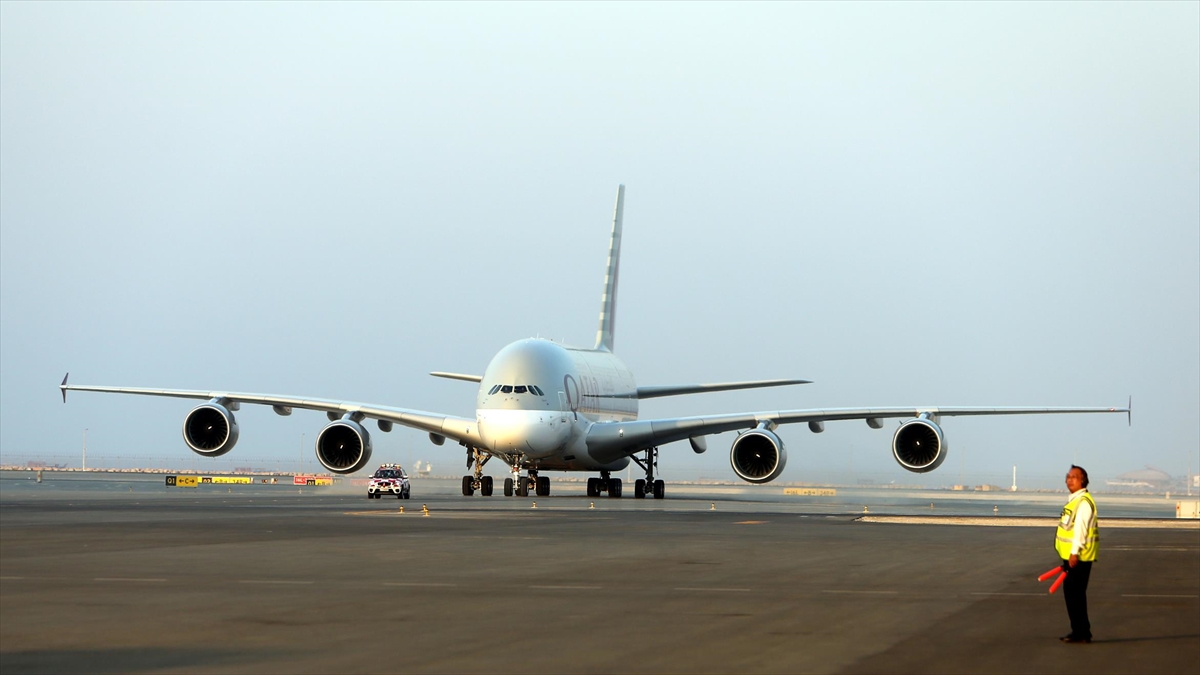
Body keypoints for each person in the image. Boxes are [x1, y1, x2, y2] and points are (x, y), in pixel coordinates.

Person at [1056, 465, 1099, 643]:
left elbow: (1080, 530)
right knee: (1072, 594)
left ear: (1083, 481)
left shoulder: (1084, 502)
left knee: (1076, 594)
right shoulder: (1074, 501)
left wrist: (1074, 553)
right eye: (1068, 476)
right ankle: (1079, 630)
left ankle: (1082, 632)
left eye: (1074, 477)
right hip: (1071, 557)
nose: (1070, 479)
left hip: (1079, 557)